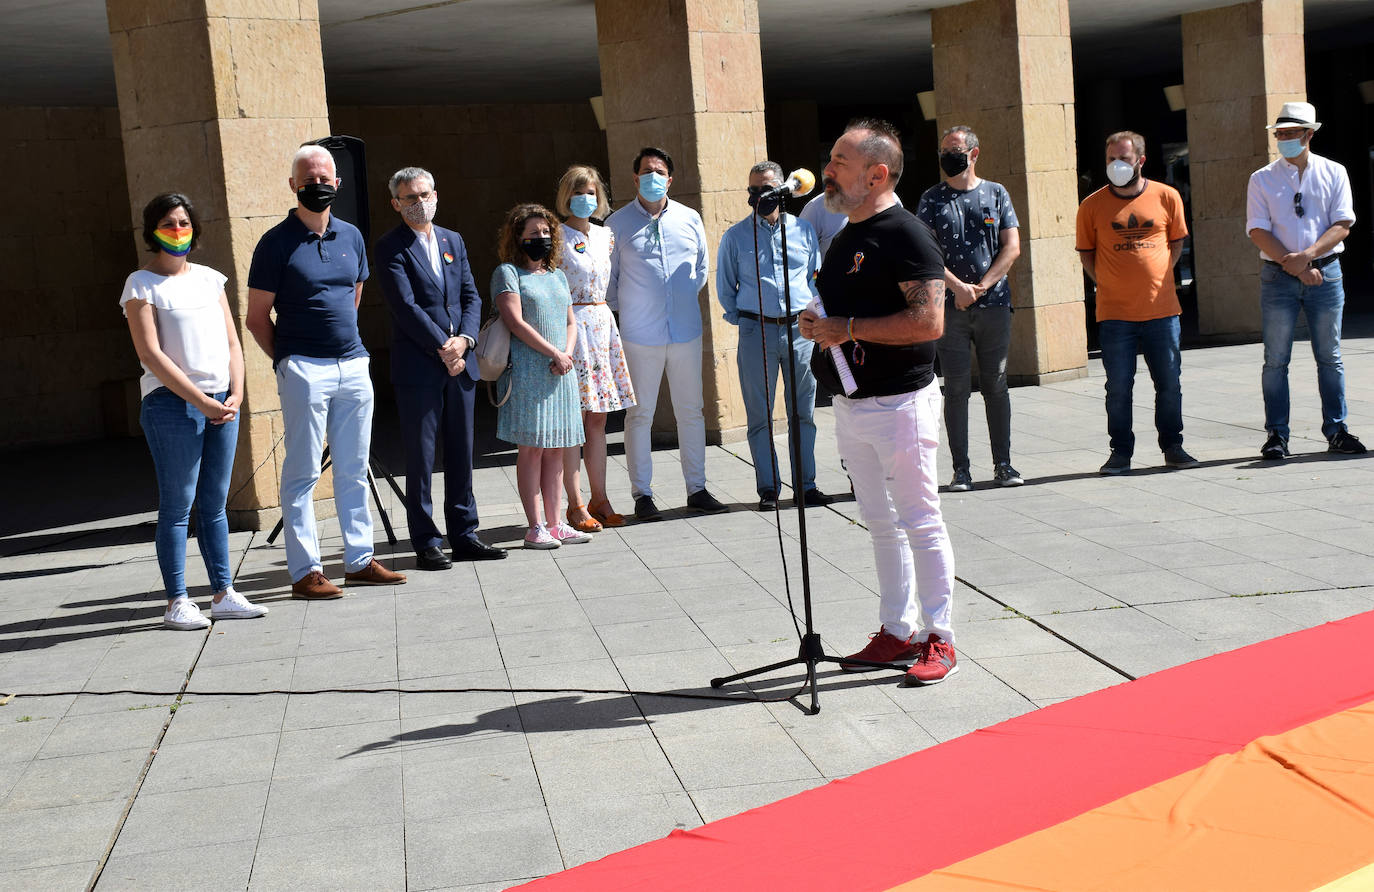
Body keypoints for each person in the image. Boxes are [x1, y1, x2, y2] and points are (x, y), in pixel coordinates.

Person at [799, 118, 959, 685]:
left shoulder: (907, 234)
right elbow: (844, 315)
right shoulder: (844, 236)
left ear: (876, 174)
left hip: (901, 404)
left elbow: (929, 320)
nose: (827, 171)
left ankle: (939, 637)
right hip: (851, 402)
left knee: (919, 519)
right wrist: (820, 324)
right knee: (878, 521)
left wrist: (846, 327)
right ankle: (896, 628)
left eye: (839, 161)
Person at [246, 144, 406, 597]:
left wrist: (345, 351)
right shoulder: (275, 243)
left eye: (325, 178)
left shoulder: (352, 237)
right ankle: (306, 572)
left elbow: (353, 298)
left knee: (354, 467)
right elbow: (257, 318)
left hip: (352, 364)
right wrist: (288, 361)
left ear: (338, 183)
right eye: (308, 179)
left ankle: (358, 560)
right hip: (303, 368)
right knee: (302, 471)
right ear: (293, 185)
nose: (317, 185)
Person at [120, 193, 267, 630]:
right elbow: (150, 353)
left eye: (184, 222)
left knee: (215, 504)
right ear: (152, 231)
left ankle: (223, 593)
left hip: (222, 402)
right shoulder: (140, 285)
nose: (178, 230)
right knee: (178, 506)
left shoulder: (209, 279)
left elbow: (232, 343)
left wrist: (236, 392)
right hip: (171, 406)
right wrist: (198, 400)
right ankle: (177, 601)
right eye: (168, 223)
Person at [374, 166, 505, 570]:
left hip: (460, 362)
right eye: (410, 198)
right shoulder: (389, 246)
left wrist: (465, 340)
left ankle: (464, 534)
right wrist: (442, 347)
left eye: (425, 195)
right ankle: (427, 540)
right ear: (396, 203)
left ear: (436, 195)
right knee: (422, 456)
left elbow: (470, 295)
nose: (420, 203)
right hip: (420, 367)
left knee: (462, 452)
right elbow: (405, 306)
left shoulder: (453, 239)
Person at [605, 146, 727, 521]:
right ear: (635, 178)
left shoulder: (690, 218)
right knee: (639, 415)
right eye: (646, 171)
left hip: (685, 331)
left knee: (691, 412)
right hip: (640, 335)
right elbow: (609, 283)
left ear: (670, 179)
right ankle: (642, 494)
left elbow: (701, 270)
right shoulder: (616, 224)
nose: (653, 177)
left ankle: (697, 488)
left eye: (660, 171)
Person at [1076, 131, 1198, 476]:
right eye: (1111, 159)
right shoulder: (1091, 206)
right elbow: (1086, 253)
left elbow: (1175, 244)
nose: (1116, 165)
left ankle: (1173, 447)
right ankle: (1120, 452)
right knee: (1117, 387)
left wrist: (1158, 274)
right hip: (1115, 315)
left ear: (1140, 160)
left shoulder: (1167, 196)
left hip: (1162, 311)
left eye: (1124, 159)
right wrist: (1108, 280)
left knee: (1169, 383)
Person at [1245, 101, 1362, 459]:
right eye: (1280, 134)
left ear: (1309, 135)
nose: (1284, 139)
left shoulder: (1333, 172)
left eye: (1291, 133)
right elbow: (1256, 229)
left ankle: (1337, 430)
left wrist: (1307, 258)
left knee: (1330, 356)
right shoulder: (1262, 178)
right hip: (1277, 275)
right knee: (1276, 359)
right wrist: (1293, 264)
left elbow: (1342, 224)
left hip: (1325, 272)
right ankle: (1276, 435)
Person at [716, 160, 831, 511]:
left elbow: (814, 278)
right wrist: (749, 319)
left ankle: (806, 485)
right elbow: (726, 288)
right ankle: (768, 488)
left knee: (804, 412)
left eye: (765, 189)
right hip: (756, 331)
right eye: (752, 191)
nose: (758, 196)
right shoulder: (735, 236)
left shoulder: (803, 231)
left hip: (800, 329)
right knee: (760, 414)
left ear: (782, 190)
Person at [917, 125, 1023, 491]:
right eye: (944, 150)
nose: (949, 156)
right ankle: (960, 468)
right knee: (957, 387)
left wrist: (981, 286)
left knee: (996, 383)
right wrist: (958, 288)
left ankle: (1004, 464)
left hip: (993, 305)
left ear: (973, 154)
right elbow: (925, 253)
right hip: (949, 307)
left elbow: (1011, 247)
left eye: (956, 150)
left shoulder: (997, 194)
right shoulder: (932, 199)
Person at [492, 203, 592, 549]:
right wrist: (554, 353)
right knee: (532, 449)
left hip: (560, 370)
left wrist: (565, 354)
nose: (541, 238)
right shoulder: (507, 273)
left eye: (546, 232)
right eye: (533, 234)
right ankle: (535, 527)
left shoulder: (557, 275)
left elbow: (570, 321)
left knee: (557, 449)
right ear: (518, 238)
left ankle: (556, 522)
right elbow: (515, 322)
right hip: (529, 370)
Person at [555, 164, 637, 531]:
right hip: (571, 326)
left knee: (599, 419)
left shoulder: (607, 235)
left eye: (590, 191)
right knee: (574, 420)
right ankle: (574, 504)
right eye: (577, 191)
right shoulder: (555, 234)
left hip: (602, 325)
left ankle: (599, 497)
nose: (584, 198)